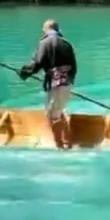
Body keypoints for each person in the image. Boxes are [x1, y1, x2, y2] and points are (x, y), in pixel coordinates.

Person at [19, 19, 77, 149]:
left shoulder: (44, 43)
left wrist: (24, 72)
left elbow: (37, 63)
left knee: (52, 116)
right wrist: (69, 81)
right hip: (66, 83)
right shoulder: (66, 43)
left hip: (56, 84)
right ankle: (68, 143)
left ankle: (61, 147)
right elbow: (74, 66)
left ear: (45, 30)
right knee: (58, 111)